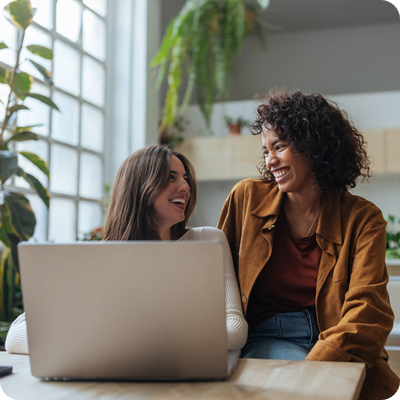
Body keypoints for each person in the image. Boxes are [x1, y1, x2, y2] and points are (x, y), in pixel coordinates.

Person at [217, 89, 400, 399]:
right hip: (267, 339)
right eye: (265, 150)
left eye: (280, 146)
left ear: (314, 146)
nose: (270, 160)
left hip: (342, 344)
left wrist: (321, 361)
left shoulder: (364, 218)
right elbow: (212, 282)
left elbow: (369, 312)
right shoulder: (245, 198)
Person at [5, 145, 248, 354]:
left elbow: (236, 329)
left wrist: (148, 342)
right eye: (171, 177)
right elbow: (16, 336)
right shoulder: (101, 260)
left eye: (185, 178)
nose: (185, 186)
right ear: (141, 188)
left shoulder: (207, 241)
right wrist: (110, 344)